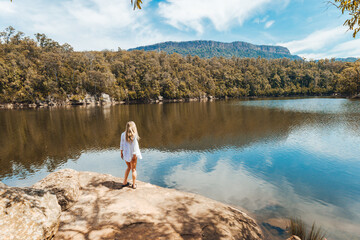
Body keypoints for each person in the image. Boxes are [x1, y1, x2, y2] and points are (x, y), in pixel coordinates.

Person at [120, 121, 142, 189]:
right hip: (133, 155)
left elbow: (122, 144)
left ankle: (124, 182)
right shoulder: (134, 135)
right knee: (134, 169)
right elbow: (135, 147)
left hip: (126, 155)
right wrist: (135, 155)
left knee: (129, 167)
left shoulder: (123, 134)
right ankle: (134, 185)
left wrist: (121, 153)